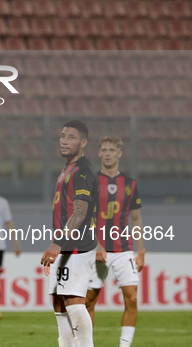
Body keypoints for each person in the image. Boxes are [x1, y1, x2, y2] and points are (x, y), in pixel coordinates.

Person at [40, 120, 99, 347]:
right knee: (59, 303)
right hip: (65, 246)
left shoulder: (83, 171)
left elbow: (81, 210)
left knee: (74, 302)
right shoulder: (67, 169)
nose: (65, 141)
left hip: (76, 246)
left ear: (83, 142)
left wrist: (57, 243)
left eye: (71, 137)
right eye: (63, 136)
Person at [86, 136, 145, 347]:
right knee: (88, 301)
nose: (108, 153)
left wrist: (141, 250)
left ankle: (124, 345)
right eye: (104, 149)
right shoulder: (91, 181)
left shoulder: (130, 184)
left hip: (123, 249)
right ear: (100, 153)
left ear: (119, 154)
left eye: (112, 149)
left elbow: (136, 218)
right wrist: (96, 244)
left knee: (131, 297)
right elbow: (85, 216)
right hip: (97, 250)